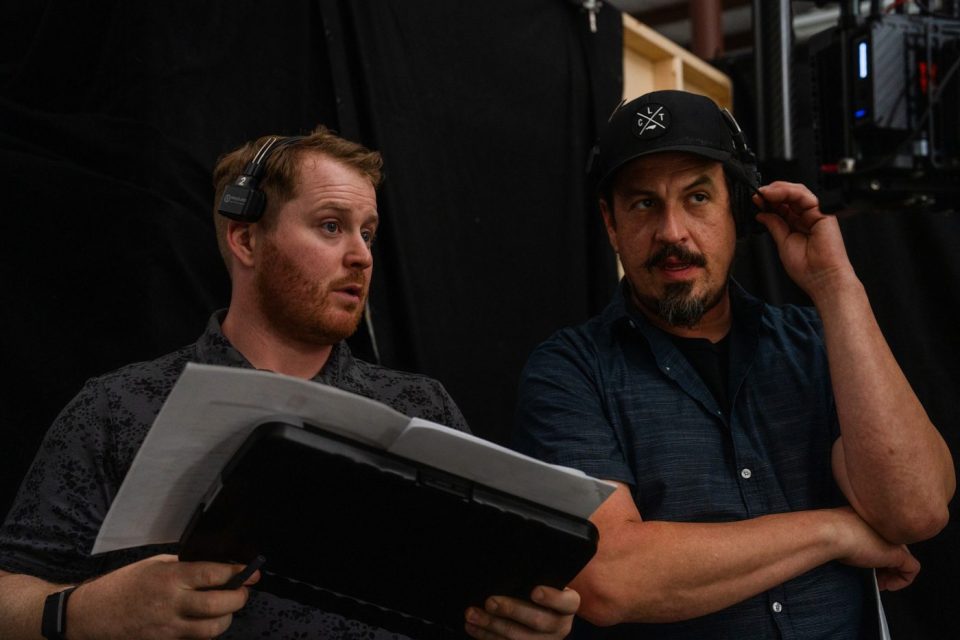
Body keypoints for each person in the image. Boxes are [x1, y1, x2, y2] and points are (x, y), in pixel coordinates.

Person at [0, 126, 579, 640]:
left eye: (368, 233)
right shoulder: (118, 405)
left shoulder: (421, 406)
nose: (361, 256)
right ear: (246, 239)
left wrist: (523, 622)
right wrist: (77, 614)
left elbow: (480, 596)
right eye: (331, 226)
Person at [513, 90, 955, 638]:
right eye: (644, 204)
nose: (672, 232)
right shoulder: (570, 371)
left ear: (738, 210)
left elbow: (914, 510)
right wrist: (836, 531)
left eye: (697, 197)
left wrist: (836, 286)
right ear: (611, 223)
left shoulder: (820, 344)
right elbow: (610, 578)